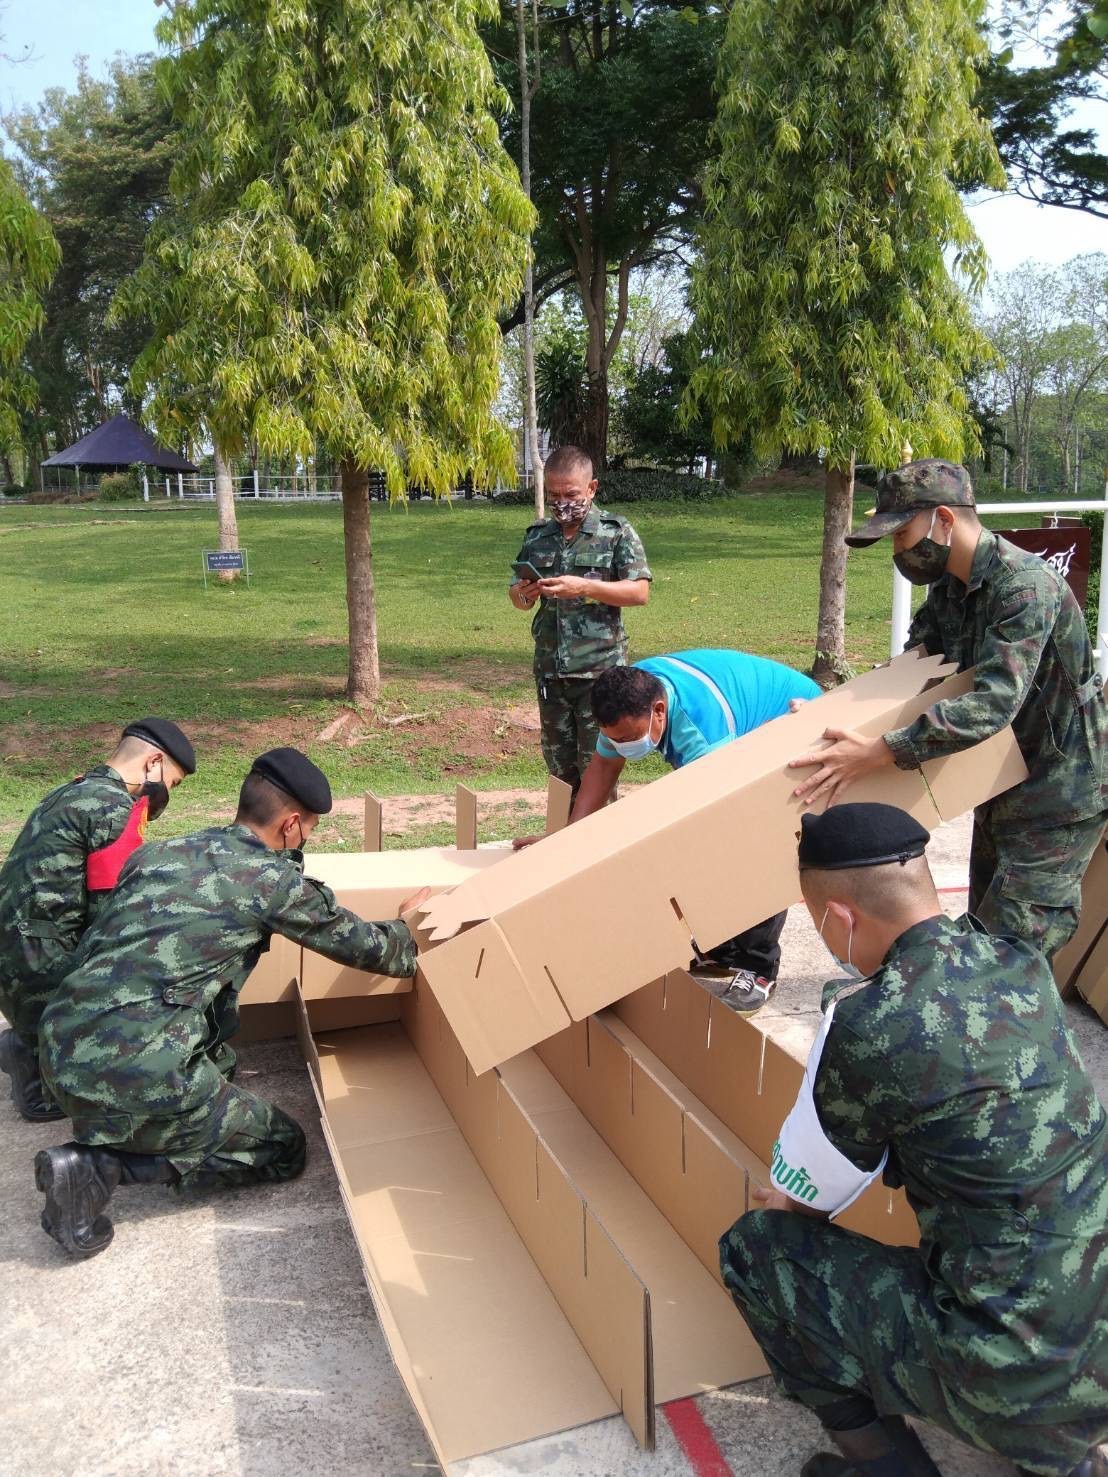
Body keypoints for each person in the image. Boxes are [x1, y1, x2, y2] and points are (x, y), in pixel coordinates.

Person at [719, 802, 1108, 1477]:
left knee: (758, 1251)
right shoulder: (1021, 964)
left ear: (841, 918)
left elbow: (805, 1202)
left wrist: (785, 1204)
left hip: (1011, 1373)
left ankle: (890, 1464)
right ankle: (1057, 1447)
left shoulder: (870, 1021)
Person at [33, 747, 430, 1260]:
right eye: (306, 829)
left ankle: (140, 1119)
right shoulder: (270, 882)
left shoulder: (159, 854)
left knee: (223, 1064)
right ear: (290, 825)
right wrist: (409, 923)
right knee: (283, 1148)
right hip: (133, 1071)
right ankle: (100, 1169)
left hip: (59, 1044)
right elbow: (375, 951)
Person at [789, 459, 1107, 963]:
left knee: (1016, 949)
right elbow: (914, 670)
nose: (898, 549)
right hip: (1000, 779)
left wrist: (882, 750)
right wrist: (835, 712)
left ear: (944, 518)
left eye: (902, 534)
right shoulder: (950, 590)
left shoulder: (1024, 588)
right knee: (985, 929)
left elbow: (994, 702)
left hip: (1058, 791)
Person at [518, 650, 821, 1012]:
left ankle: (757, 966)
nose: (624, 746)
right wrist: (568, 841)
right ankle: (722, 945)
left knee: (748, 841)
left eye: (630, 736)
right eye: (615, 738)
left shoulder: (698, 724)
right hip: (745, 730)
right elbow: (602, 769)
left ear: (659, 711)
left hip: (798, 722)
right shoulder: (625, 699)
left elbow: (708, 809)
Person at [0, 717, 196, 1123]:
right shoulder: (113, 808)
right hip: (36, 958)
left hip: (15, 946)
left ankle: (27, 1037)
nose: (167, 794)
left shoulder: (75, 788)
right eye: (171, 783)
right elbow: (113, 917)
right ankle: (36, 1070)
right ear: (153, 762)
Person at [509, 444, 652, 800]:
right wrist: (524, 593)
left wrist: (585, 586)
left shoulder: (616, 531)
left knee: (598, 770)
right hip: (551, 671)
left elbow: (639, 592)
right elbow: (519, 601)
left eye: (571, 493)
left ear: (591, 488)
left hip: (599, 674)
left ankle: (599, 850)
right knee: (559, 770)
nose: (562, 502)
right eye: (553, 494)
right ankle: (562, 843)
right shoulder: (537, 536)